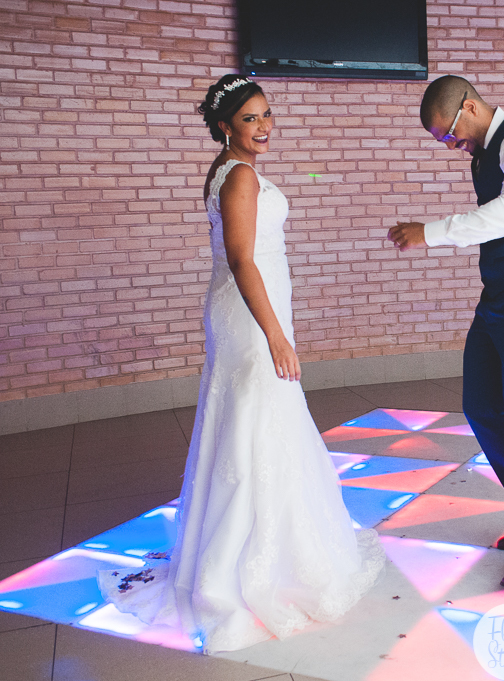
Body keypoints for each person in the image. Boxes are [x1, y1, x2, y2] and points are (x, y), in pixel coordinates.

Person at [97, 75, 384, 653]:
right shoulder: (241, 177)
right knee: (259, 417)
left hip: (248, 309)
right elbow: (242, 260)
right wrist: (275, 333)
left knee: (257, 422)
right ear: (227, 125)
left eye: (267, 115)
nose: (265, 127)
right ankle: (251, 566)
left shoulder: (228, 169)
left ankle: (259, 541)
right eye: (251, 119)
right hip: (251, 316)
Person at [388, 75, 504, 589]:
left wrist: (430, 232)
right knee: (481, 405)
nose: (453, 147)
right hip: (500, 296)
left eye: (450, 135)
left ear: (469, 106)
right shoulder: (484, 151)